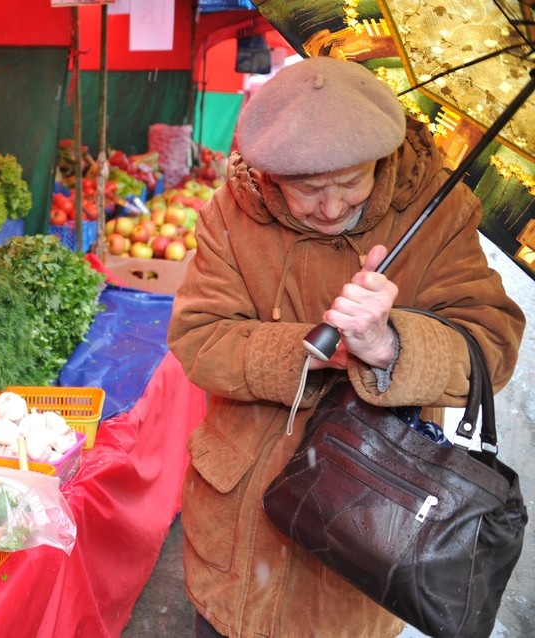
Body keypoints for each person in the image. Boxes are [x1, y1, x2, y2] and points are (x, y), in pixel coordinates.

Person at [166, 55, 526, 637]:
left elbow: (492, 345)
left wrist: (389, 345)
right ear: (268, 174)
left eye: (351, 183)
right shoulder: (232, 212)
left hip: (362, 527)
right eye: (307, 190)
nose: (331, 208)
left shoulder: (439, 212)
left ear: (380, 159)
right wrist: (313, 351)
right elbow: (198, 336)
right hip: (238, 526)